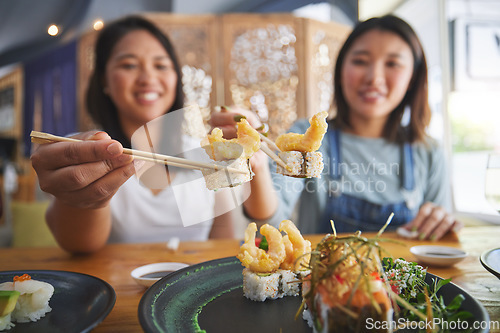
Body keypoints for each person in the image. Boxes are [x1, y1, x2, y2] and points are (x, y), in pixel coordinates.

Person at [210, 15, 461, 240]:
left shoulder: (428, 152)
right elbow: (269, 228)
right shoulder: (306, 137)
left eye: (393, 64)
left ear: (413, 78)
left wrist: (440, 223)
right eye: (361, 61)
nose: (374, 77)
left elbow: (436, 249)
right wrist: (259, 163)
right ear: (341, 71)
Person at [31, 16, 234, 254]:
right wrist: (79, 198)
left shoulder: (205, 154)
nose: (148, 78)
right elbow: (80, 246)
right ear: (104, 80)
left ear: (176, 78)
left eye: (161, 66)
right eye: (129, 65)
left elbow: (223, 244)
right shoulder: (84, 151)